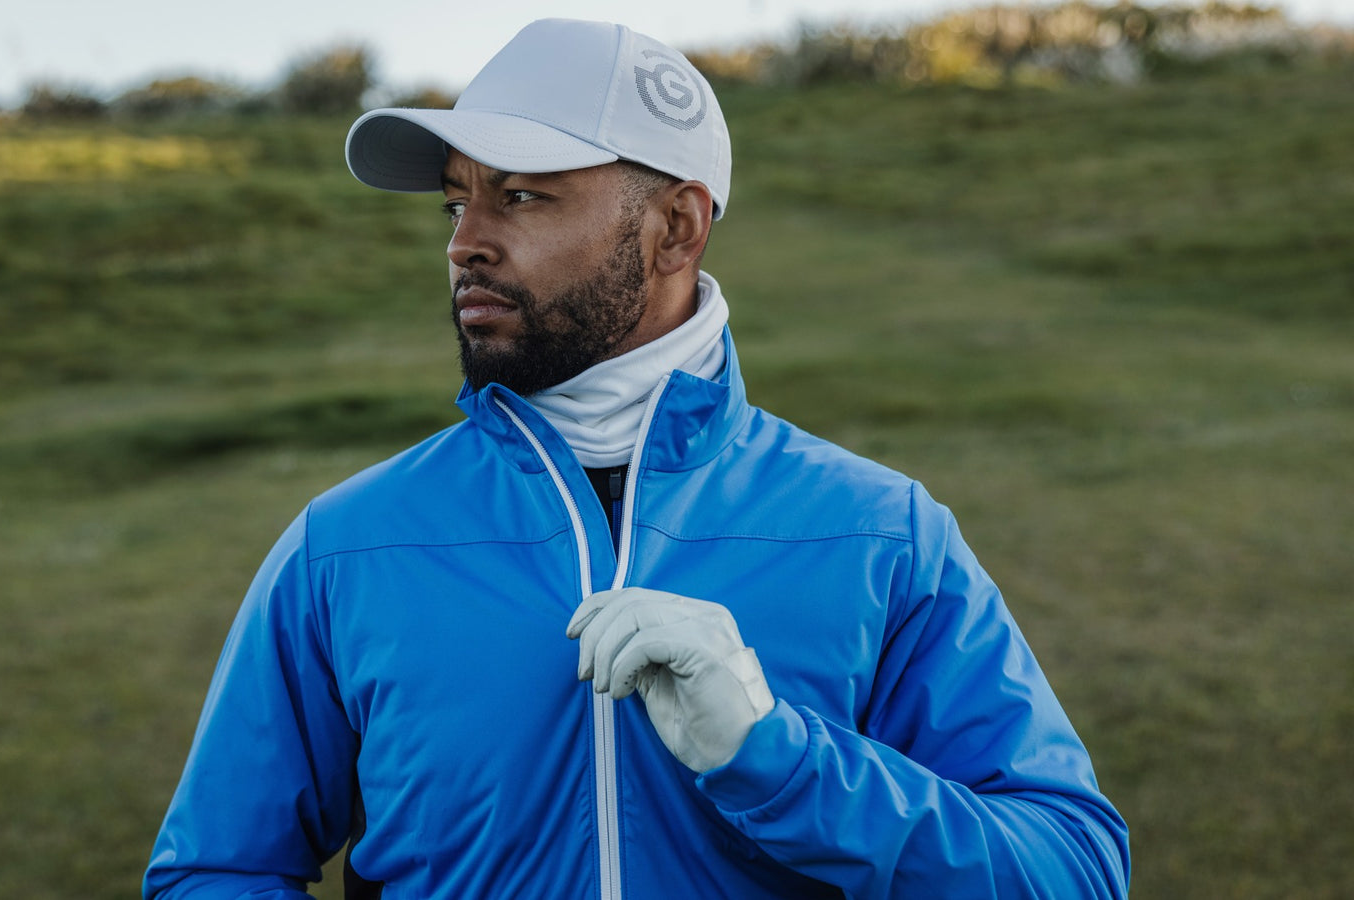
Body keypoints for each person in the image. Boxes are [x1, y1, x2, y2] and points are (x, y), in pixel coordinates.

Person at [144, 18, 1130, 900]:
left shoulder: (881, 533)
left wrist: (777, 760)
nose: (465, 245)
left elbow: (1071, 869)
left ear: (675, 228)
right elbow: (214, 870)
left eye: (521, 196)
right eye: (455, 204)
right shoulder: (342, 547)